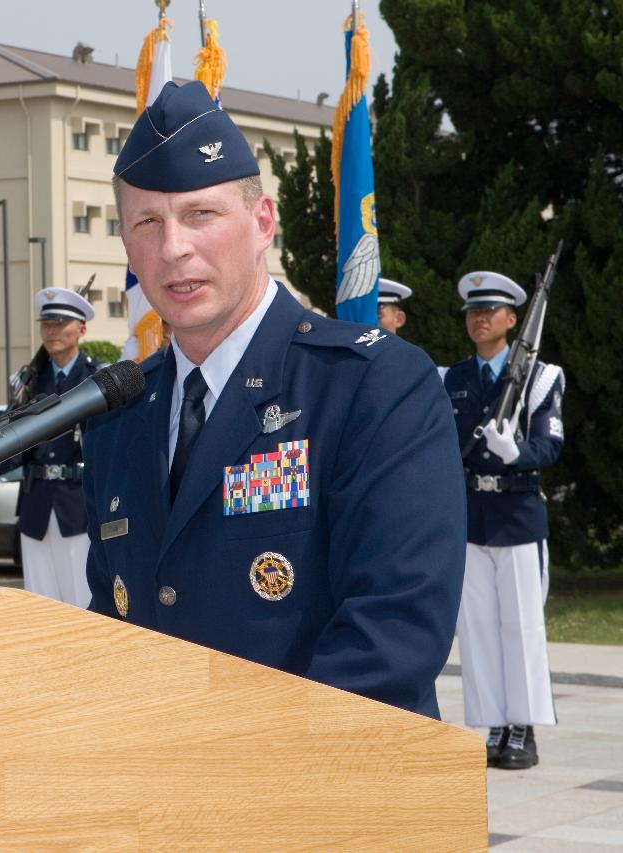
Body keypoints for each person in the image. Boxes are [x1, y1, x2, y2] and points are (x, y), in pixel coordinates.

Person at [83, 79, 466, 718]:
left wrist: (243, 775)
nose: (174, 247)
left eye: (201, 214)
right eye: (147, 222)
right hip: (160, 795)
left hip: (321, 794)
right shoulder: (120, 414)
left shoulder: (373, 385)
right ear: (126, 245)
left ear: (262, 224)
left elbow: (392, 637)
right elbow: (112, 623)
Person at [444, 271, 563, 769]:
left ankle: (523, 727)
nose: (480, 319)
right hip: (473, 517)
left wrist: (517, 453)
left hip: (517, 516)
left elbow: (551, 444)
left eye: (491, 311)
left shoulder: (541, 377)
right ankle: (494, 721)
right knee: (479, 628)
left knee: (520, 625)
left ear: (513, 320)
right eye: (473, 311)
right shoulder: (452, 378)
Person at [0, 287, 101, 607]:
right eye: (47, 324)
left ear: (81, 329)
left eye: (60, 324)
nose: (52, 331)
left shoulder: (96, 377)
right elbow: (11, 448)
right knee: (39, 603)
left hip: (78, 505)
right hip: (36, 505)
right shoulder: (28, 381)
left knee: (82, 601)